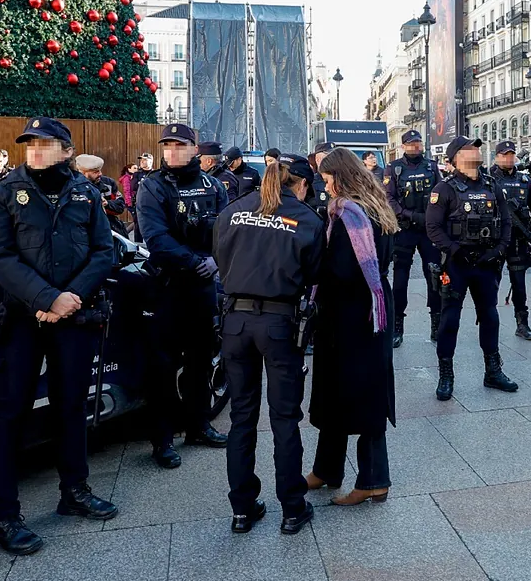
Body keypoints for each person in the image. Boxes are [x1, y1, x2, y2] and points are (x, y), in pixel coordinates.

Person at [0, 117, 117, 555]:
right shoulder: (4, 193)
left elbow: (104, 250)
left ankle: (73, 492)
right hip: (20, 318)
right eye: (29, 144)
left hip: (72, 318)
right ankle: (3, 517)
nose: (35, 151)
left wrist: (71, 296)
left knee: (70, 407)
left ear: (66, 150)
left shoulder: (85, 193)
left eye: (45, 144)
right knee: (9, 415)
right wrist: (46, 297)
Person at [213, 152, 323, 535]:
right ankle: (292, 508)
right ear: (303, 184)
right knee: (284, 418)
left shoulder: (233, 210)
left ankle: (242, 509)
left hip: (235, 322)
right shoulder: (307, 219)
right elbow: (314, 275)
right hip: (279, 323)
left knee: (241, 416)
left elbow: (219, 259)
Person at [136, 124, 230, 469]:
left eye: (180, 145)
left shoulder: (213, 185)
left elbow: (226, 230)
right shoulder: (152, 186)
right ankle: (162, 440)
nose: (173, 151)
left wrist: (215, 261)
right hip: (168, 287)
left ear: (195, 149)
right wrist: (196, 262)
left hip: (203, 287)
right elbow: (156, 239)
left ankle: (198, 425)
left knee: (201, 360)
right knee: (162, 367)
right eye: (168, 146)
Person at [307, 147, 398, 505]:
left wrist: (312, 266)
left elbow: (341, 271)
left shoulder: (350, 215)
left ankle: (374, 479)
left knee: (360, 393)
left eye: (328, 180)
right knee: (339, 390)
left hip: (352, 315)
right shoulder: (375, 206)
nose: (326, 187)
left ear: (342, 177)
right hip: (370, 309)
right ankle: (326, 468)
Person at [426, 136, 518, 401]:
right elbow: (433, 228)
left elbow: (506, 222)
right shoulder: (443, 189)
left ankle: (493, 372)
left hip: (486, 263)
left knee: (489, 316)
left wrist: (499, 250)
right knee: (450, 319)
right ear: (456, 157)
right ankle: (446, 375)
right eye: (470, 148)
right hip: (457, 264)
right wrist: (456, 251)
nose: (476, 151)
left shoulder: (492, 185)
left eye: (477, 147)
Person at [384, 130, 443, 347]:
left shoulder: (431, 166)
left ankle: (436, 324)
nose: (415, 146)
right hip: (405, 229)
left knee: (434, 277)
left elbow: (441, 193)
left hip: (428, 230)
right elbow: (388, 198)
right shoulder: (394, 168)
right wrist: (409, 215)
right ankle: (397, 326)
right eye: (411, 144)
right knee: (400, 281)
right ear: (403, 146)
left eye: (418, 142)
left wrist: (434, 216)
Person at [489, 141, 531, 341]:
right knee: (491, 285)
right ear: (497, 157)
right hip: (495, 242)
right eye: (504, 155)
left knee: (519, 285)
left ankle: (522, 324)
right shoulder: (488, 179)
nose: (509, 158)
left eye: (511, 155)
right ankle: (488, 322)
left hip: (519, 242)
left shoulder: (524, 180)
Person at [74, 154, 128, 237]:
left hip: (110, 231)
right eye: (96, 172)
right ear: (83, 173)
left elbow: (120, 206)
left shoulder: (108, 184)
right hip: (82, 233)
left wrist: (107, 204)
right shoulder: (72, 187)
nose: (100, 174)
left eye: (100, 170)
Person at [130, 152, 155, 242]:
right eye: (141, 160)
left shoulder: (155, 174)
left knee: (153, 224)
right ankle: (138, 245)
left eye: (145, 160)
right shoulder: (137, 174)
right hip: (139, 203)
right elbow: (133, 187)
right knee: (138, 225)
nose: (142, 162)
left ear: (150, 161)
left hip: (152, 203)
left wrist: (143, 184)